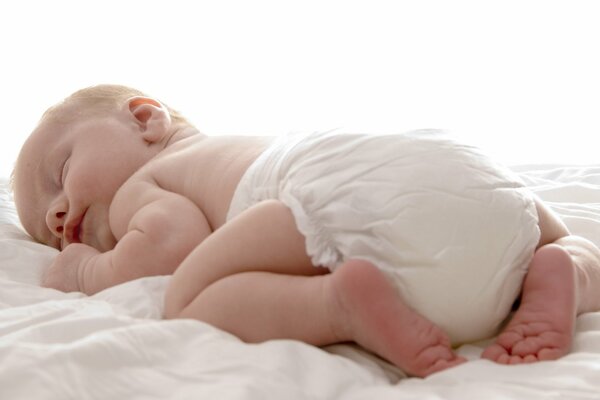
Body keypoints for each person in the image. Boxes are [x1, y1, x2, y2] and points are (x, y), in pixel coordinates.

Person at [11, 84, 600, 378]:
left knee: (188, 297)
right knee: (549, 228)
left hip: (328, 197)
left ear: (145, 119)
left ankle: (337, 303)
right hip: (460, 172)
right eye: (49, 232)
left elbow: (168, 247)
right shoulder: (246, 146)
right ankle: (566, 265)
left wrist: (84, 268)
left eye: (59, 175)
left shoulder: (149, 181)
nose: (60, 215)